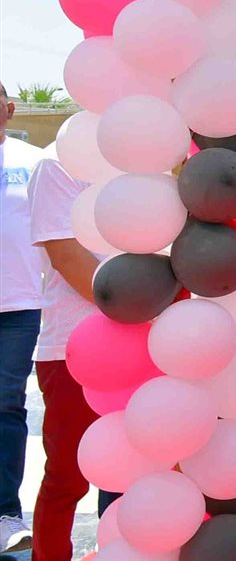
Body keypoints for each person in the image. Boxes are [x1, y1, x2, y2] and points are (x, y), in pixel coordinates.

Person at [28, 145, 120, 561]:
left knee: (135, 473)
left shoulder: (153, 155)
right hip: (73, 349)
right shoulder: (58, 161)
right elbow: (65, 255)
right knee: (67, 477)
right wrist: (138, 305)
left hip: (149, 344)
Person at [0, 81, 42, 554]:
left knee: (6, 405)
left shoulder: (34, 163)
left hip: (18, 307)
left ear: (9, 109)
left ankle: (5, 515)